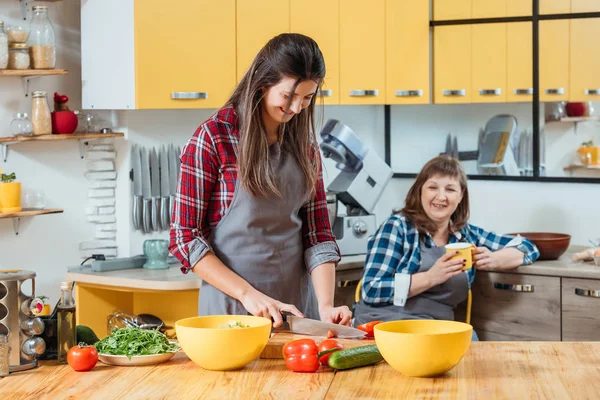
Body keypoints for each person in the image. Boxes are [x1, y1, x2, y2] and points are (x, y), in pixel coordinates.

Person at [169, 33, 351, 328]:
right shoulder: (214, 138)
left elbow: (317, 234)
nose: (296, 108)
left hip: (297, 312)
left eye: (307, 98)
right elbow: (184, 237)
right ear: (263, 81)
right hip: (230, 313)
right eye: (288, 96)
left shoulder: (304, 145)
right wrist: (247, 294)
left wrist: (326, 305)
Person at [353, 156, 540, 338]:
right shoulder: (397, 227)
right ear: (420, 191)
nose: (441, 196)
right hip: (386, 325)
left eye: (450, 189)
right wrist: (430, 277)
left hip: (437, 328)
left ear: (461, 196)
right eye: (432, 187)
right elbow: (371, 289)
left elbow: (528, 247)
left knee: (471, 340)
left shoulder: (468, 235)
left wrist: (496, 259)